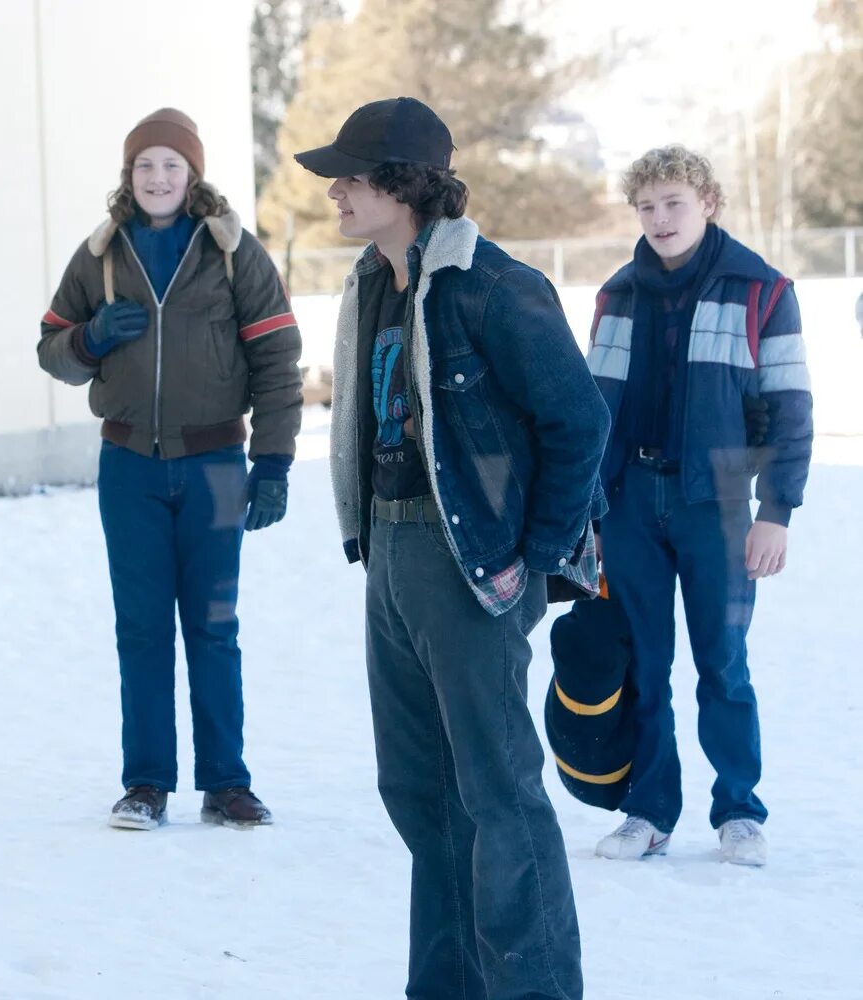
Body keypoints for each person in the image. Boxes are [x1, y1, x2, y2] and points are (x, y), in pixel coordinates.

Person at [297, 96, 608, 999]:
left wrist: (535, 562)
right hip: (389, 561)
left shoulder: (494, 286)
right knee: (421, 799)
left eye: (349, 178)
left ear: (404, 184)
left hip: (467, 565)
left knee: (499, 799)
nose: (335, 195)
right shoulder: (371, 281)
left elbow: (580, 423)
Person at [37, 108, 302, 830]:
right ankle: (146, 783)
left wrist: (273, 460)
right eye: (146, 165)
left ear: (194, 175)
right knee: (143, 628)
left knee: (214, 626)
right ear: (130, 175)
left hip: (216, 462)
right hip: (128, 468)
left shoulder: (231, 252)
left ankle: (227, 783)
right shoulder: (100, 255)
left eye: (172, 166)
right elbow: (51, 348)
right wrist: (89, 339)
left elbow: (278, 361)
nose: (158, 177)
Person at [586, 145, 813, 867]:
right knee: (646, 668)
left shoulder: (764, 290)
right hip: (628, 507)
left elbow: (788, 407)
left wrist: (776, 510)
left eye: (673, 202)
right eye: (646, 206)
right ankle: (648, 811)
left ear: (708, 201)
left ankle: (739, 812)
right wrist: (588, 509)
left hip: (715, 505)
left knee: (722, 664)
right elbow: (593, 413)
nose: (659, 219)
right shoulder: (616, 294)